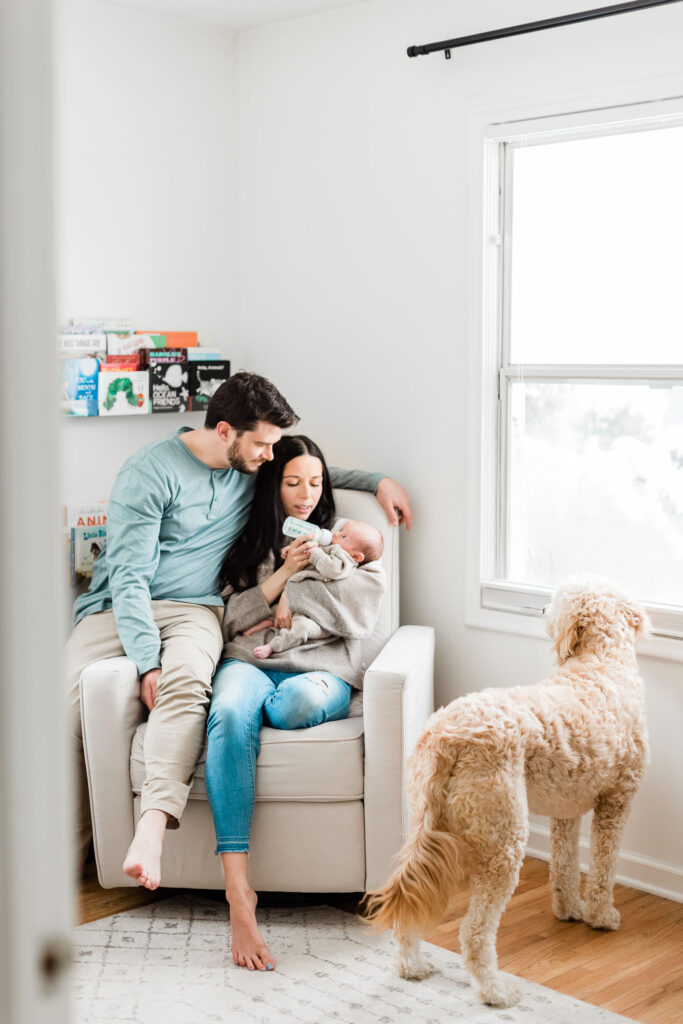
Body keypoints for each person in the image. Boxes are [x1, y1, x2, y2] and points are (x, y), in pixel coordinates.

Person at [65, 372, 412, 890]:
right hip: (117, 607)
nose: (271, 458)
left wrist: (377, 479)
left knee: (185, 688)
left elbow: (311, 475)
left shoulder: (254, 468)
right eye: (263, 444)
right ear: (225, 431)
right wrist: (145, 661)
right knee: (61, 718)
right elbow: (131, 581)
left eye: (274, 446)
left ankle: (152, 826)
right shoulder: (149, 472)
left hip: (196, 611)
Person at [204, 435, 388, 974]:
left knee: (294, 707)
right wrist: (281, 577)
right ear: (272, 483)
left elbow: (358, 611)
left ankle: (266, 710)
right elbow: (230, 620)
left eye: (315, 482)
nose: (306, 495)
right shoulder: (245, 542)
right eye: (292, 482)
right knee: (232, 712)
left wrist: (296, 596)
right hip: (247, 661)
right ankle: (239, 892)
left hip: (323, 668)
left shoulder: (344, 542)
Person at [252, 519, 384, 659]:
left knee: (301, 628)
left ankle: (273, 646)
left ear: (357, 556)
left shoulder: (346, 562)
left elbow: (331, 568)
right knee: (277, 612)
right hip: (301, 605)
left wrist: (314, 552)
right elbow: (311, 556)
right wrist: (292, 550)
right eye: (340, 531)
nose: (337, 534)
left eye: (344, 537)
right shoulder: (332, 549)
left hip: (317, 620)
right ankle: (264, 624)